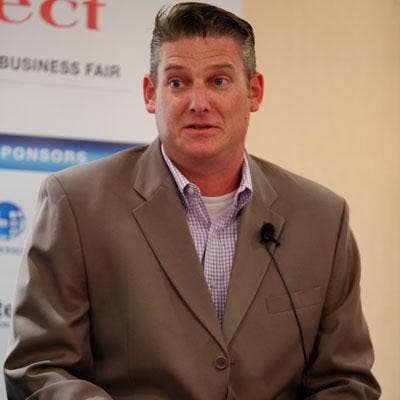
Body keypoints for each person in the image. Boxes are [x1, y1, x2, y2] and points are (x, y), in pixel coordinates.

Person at [4, 2, 380, 399]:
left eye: (218, 81)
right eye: (178, 82)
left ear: (254, 92)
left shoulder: (323, 218)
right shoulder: (77, 203)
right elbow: (39, 368)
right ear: (151, 94)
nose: (199, 102)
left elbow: (346, 382)